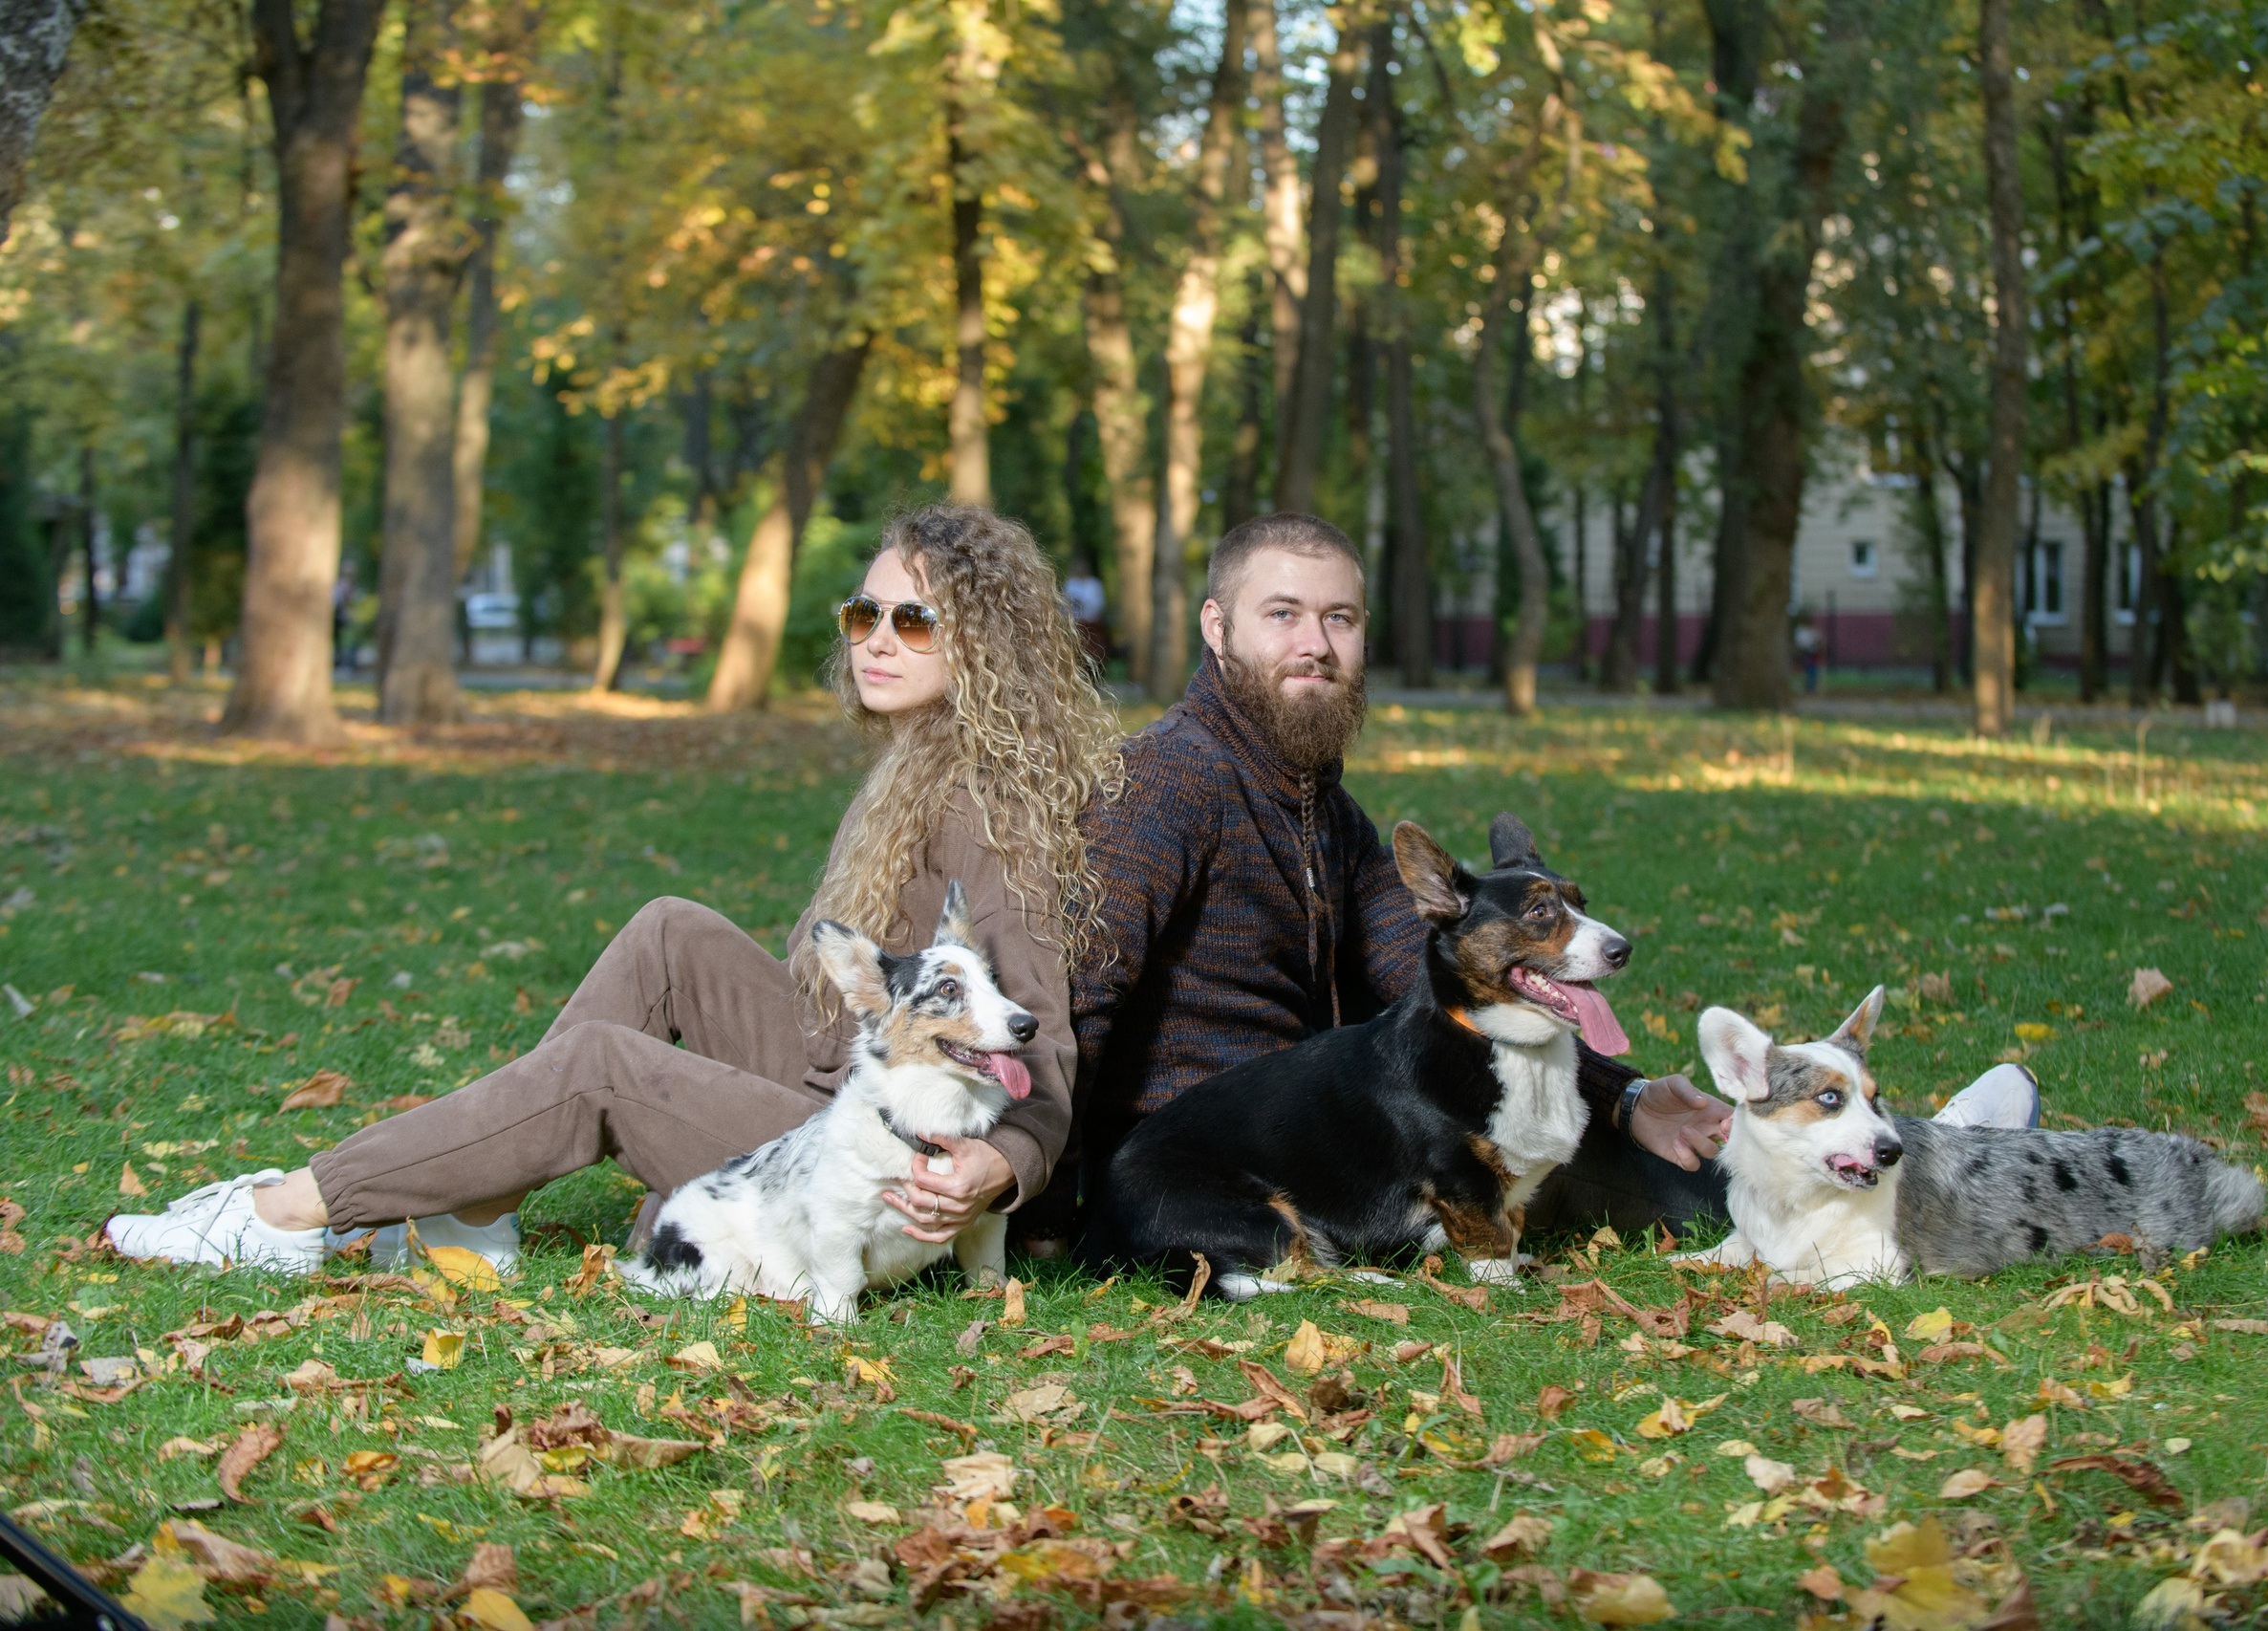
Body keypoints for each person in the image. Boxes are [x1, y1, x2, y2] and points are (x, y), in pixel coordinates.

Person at [108, 506, 1120, 1275]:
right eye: (864, 614)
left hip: (871, 1160)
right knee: (670, 929)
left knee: (600, 1065)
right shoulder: (914, 761)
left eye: (915, 619)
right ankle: (477, 1201)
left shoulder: (993, 803)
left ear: (985, 646)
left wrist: (1001, 1169)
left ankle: (291, 1211)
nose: (877, 639)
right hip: (830, 1084)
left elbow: (1041, 1028)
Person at [1013, 512, 1739, 1252]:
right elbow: (1079, 1003)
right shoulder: (1165, 783)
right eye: (1282, 614)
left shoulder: (1327, 810)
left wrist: (1627, 1098)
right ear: (1216, 626)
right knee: (1705, 1198)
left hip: (1360, 1141)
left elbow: (1444, 974)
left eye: (1340, 618)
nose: (1317, 646)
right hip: (1212, 1179)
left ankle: (1823, 1199)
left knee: (1708, 1174)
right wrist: (1044, 1215)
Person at [1063, 557, 1110, 667]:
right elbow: (1065, 602)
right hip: (1076, 622)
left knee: (1093, 649)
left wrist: (1084, 603)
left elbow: (1099, 604)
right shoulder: (1071, 584)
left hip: (1092, 623)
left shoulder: (1094, 584)